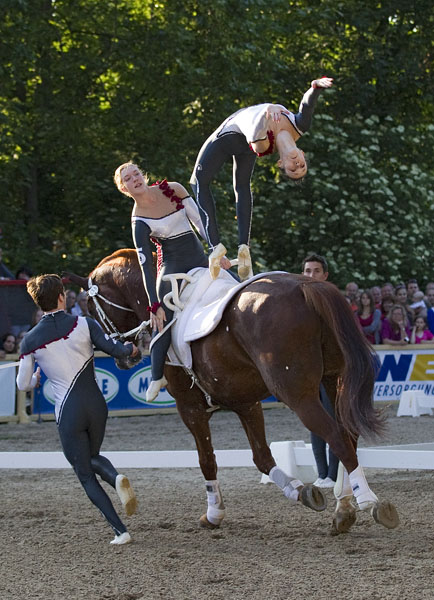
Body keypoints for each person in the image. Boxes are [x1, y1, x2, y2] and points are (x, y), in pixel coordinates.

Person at [16, 274, 140, 545]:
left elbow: (23, 383)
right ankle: (115, 476)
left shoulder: (29, 340)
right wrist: (130, 349)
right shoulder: (85, 323)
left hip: (69, 410)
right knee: (91, 456)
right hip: (97, 405)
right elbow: (115, 349)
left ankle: (121, 530)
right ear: (62, 296)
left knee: (83, 471)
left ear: (38, 302)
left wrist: (36, 379)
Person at [190, 77, 334, 281]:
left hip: (233, 136)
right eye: (302, 165)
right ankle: (238, 248)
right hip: (242, 131)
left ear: (281, 164)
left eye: (293, 170)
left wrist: (269, 108)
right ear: (302, 153)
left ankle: (232, 247)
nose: (297, 165)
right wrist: (315, 87)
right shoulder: (300, 126)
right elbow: (307, 104)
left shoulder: (261, 145)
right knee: (236, 185)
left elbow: (254, 123)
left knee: (199, 182)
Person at [114, 161, 220, 402]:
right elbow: (145, 265)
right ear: (124, 189)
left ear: (143, 174)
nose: (135, 179)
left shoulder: (173, 188)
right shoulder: (138, 221)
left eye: (136, 174)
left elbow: (200, 223)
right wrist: (154, 304)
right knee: (161, 320)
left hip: (200, 258)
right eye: (128, 179)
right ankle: (156, 375)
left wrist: (217, 252)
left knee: (235, 285)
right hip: (171, 267)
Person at [301, 253, 338, 488]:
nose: (310, 275)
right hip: (308, 370)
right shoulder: (296, 300)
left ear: (325, 275)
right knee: (313, 421)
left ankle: (333, 474)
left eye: (315, 271)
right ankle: (322, 473)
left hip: (331, 370)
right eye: (307, 271)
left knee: (333, 420)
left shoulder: (333, 301)